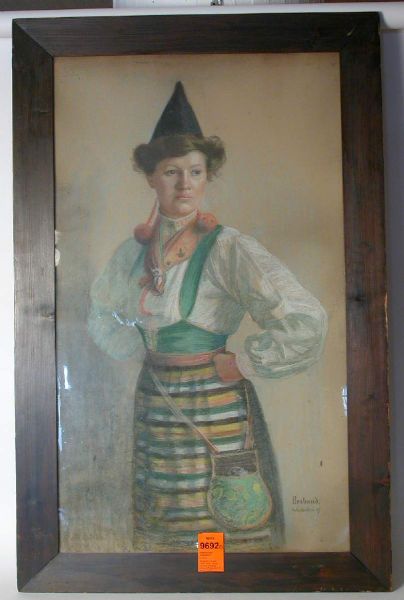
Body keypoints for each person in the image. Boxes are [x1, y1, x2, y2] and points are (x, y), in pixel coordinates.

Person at [88, 82, 327, 551]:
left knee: (218, 519)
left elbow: (306, 319)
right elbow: (100, 314)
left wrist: (245, 363)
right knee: (167, 522)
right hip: (157, 403)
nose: (184, 184)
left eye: (195, 172)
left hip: (216, 403)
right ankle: (179, 580)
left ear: (207, 176)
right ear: (151, 178)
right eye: (171, 172)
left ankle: (214, 580)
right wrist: (139, 348)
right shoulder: (133, 254)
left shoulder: (228, 248)